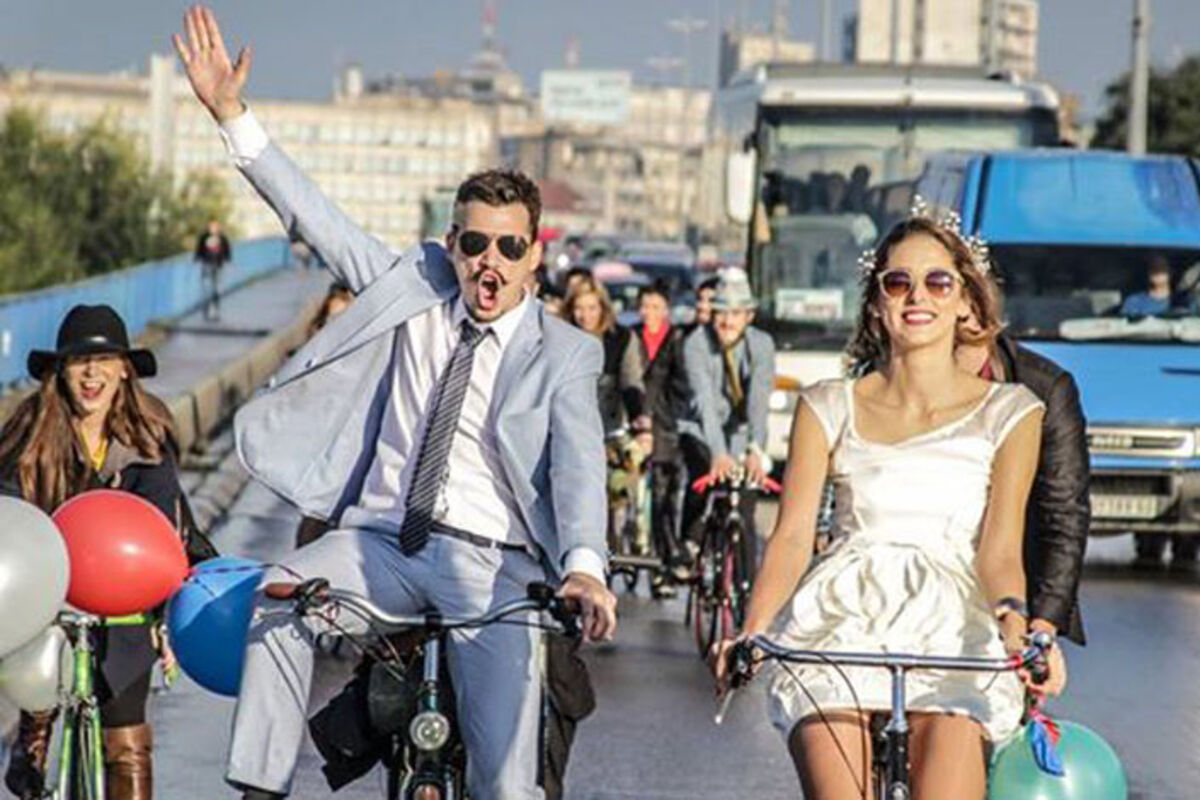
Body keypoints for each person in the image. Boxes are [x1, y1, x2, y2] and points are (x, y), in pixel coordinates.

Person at [173, 9, 616, 800]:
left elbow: (580, 467)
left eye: (509, 247)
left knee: (508, 779)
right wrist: (232, 116)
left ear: (534, 258)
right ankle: (260, 789)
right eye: (474, 243)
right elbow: (313, 217)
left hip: (494, 569)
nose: (489, 262)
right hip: (381, 546)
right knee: (277, 598)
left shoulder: (566, 353)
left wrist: (584, 569)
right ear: (452, 244)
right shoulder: (409, 291)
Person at [715, 214, 1054, 799]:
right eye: (898, 282)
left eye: (938, 282)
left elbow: (1000, 550)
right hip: (838, 625)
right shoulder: (826, 404)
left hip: (953, 630)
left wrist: (1017, 631)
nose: (917, 296)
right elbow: (792, 536)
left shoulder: (1012, 412)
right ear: (876, 303)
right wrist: (750, 631)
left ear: (965, 302)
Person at [0, 304, 214, 800]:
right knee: (39, 669)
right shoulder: (31, 430)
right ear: (61, 371)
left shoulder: (147, 435)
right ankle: (34, 732)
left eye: (104, 360)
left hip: (123, 595)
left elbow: (165, 524)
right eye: (79, 361)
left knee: (126, 736)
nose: (91, 374)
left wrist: (170, 608)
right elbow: (9, 513)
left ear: (124, 370)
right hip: (49, 592)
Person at [956, 324, 1091, 651]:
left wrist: (1044, 625)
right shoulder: (880, 380)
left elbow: (1063, 510)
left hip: (1009, 595)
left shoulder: (1041, 387)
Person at [679, 269, 775, 579]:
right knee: (704, 476)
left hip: (742, 433)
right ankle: (692, 542)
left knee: (745, 508)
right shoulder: (696, 344)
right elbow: (704, 403)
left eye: (735, 314)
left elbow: (759, 401)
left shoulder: (762, 344)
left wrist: (756, 449)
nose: (727, 322)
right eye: (721, 313)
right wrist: (718, 453)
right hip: (701, 429)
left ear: (749, 316)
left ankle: (745, 588)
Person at [630, 282, 691, 597]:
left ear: (666, 310)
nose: (649, 313)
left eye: (655, 307)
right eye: (645, 307)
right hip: (635, 421)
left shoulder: (677, 340)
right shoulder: (631, 336)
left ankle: (664, 563)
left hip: (666, 426)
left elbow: (682, 385)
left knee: (665, 498)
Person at [563, 281, 646, 435]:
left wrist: (637, 414)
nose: (585, 316)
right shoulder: (561, 338)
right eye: (579, 308)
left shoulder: (621, 338)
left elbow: (630, 380)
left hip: (609, 424)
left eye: (592, 308)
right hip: (570, 425)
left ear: (602, 308)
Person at [194, 219, 232, 321]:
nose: (213, 228)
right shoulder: (204, 237)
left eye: (215, 226)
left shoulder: (222, 238)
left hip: (218, 266)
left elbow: (227, 251)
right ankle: (206, 311)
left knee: (216, 290)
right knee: (206, 289)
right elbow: (199, 250)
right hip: (206, 266)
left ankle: (216, 311)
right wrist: (197, 259)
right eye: (211, 226)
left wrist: (227, 261)